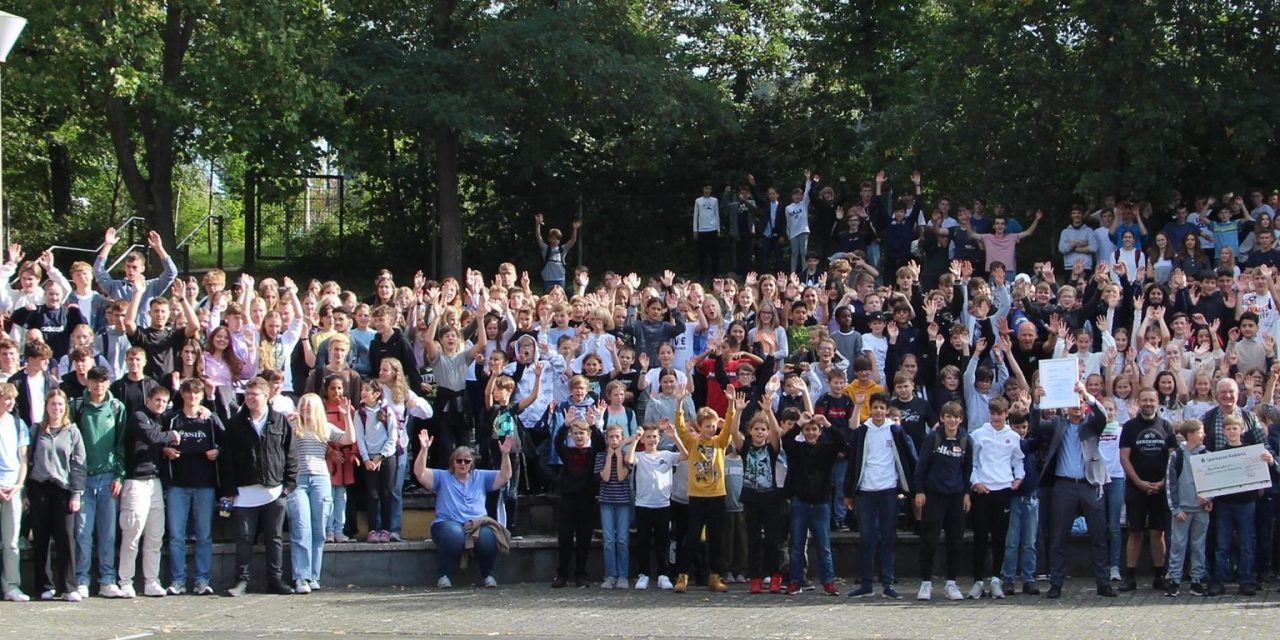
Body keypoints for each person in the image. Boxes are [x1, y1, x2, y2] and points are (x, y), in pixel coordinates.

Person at [1033, 381, 1117, 598]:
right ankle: (1056, 583)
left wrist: (1086, 394)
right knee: (1059, 536)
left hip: (1091, 484)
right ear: (1065, 407)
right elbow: (1035, 427)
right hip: (1064, 486)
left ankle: (1103, 583)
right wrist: (1036, 403)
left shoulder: (1092, 424)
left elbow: (1103, 416)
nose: (1077, 406)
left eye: (1080, 403)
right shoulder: (1058, 424)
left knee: (1098, 535)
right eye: (1073, 403)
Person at [220, 377, 298, 596]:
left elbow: (291, 455)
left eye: (254, 394)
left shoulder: (280, 421)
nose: (250, 398)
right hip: (244, 492)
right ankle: (241, 581)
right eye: (247, 394)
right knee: (244, 537)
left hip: (275, 490)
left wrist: (288, 486)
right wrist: (229, 490)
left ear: (266, 396)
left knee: (274, 537)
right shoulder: (235, 424)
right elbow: (227, 460)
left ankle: (275, 580)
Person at [413, 426, 514, 589]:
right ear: (453, 462)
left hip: (477, 523)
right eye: (459, 460)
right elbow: (420, 473)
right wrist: (424, 450)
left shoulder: (481, 476)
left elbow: (505, 476)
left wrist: (505, 454)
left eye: (467, 461)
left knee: (488, 537)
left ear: (472, 463)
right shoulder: (443, 476)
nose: (462, 464)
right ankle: (444, 575)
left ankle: (488, 575)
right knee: (454, 535)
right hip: (447, 523)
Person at [845, 393, 917, 599]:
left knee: (888, 537)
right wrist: (848, 492)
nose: (878, 411)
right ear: (871, 408)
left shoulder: (895, 430)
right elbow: (854, 463)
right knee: (866, 538)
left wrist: (910, 488)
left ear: (887, 410)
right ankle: (866, 583)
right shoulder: (862, 431)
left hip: (888, 490)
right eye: (875, 407)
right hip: (866, 491)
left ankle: (888, 583)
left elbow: (907, 458)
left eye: (881, 408)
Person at [116, 385, 181, 598]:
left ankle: (151, 581)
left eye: (164, 402)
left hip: (155, 482)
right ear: (149, 399)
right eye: (157, 401)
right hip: (136, 482)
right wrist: (171, 435)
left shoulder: (161, 418)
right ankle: (125, 581)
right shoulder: (138, 416)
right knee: (132, 534)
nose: (161, 405)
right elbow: (151, 437)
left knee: (155, 535)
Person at [287, 392, 357, 593]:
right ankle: (301, 577)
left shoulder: (324, 428)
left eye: (310, 406)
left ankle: (313, 576)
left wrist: (346, 416)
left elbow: (348, 438)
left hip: (320, 479)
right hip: (298, 480)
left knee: (318, 531)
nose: (306, 409)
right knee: (301, 528)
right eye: (303, 406)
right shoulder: (292, 426)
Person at [672, 388, 739, 593]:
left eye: (713, 426)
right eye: (707, 426)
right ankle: (683, 575)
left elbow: (728, 428)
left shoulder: (719, 443)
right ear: (700, 426)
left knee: (716, 538)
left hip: (717, 496)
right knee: (691, 537)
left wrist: (730, 405)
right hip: (697, 497)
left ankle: (715, 575)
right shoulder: (693, 443)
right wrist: (680, 403)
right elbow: (680, 427)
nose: (711, 429)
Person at [71, 366, 128, 599]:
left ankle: (107, 579)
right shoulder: (77, 406)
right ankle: (81, 579)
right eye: (95, 381)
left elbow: (121, 443)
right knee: (83, 532)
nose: (98, 386)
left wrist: (119, 474)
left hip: (108, 478)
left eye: (103, 382)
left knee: (108, 532)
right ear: (88, 383)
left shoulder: (117, 408)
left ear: (108, 383)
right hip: (83, 479)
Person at [163, 378, 223, 596]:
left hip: (204, 485)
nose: (192, 397)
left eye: (197, 394)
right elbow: (159, 441)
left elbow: (227, 442)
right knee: (177, 536)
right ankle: (177, 580)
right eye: (188, 393)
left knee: (204, 535)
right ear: (182, 395)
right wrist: (166, 451)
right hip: (177, 485)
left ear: (202, 396)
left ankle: (201, 580)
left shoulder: (210, 419)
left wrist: (219, 452)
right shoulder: (172, 419)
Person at [26, 391, 86, 601]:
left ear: (65, 407)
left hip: (63, 489)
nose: (57, 408)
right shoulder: (36, 430)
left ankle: (69, 587)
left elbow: (79, 464)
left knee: (65, 538)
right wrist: (26, 492)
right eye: (53, 404)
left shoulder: (72, 431)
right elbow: (27, 461)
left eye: (60, 404)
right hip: (39, 487)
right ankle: (44, 585)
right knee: (41, 538)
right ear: (46, 406)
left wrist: (76, 494)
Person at [1117, 387, 1176, 592]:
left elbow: (1173, 458)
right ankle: (1130, 577)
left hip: (1160, 488)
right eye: (1144, 400)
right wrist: (1139, 482)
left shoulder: (1166, 426)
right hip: (1136, 488)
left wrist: (1162, 482)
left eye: (1151, 400)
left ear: (1158, 401)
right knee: (1134, 532)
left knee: (1157, 532)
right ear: (1139, 402)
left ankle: (1159, 576)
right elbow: (1124, 458)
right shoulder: (1129, 427)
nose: (1148, 404)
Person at [1208, 414, 1274, 596]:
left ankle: (1246, 580)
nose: (1231, 432)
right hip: (1224, 505)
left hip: (1246, 503)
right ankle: (1219, 580)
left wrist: (1268, 460)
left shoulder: (1252, 452)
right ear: (1224, 431)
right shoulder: (1218, 454)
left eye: (1235, 428)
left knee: (1247, 543)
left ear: (1241, 430)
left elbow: (1263, 472)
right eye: (1228, 429)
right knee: (1222, 545)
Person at [966, 397, 1024, 600]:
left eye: (1000, 413)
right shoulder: (978, 435)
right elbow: (970, 463)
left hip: (1004, 491)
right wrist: (975, 483)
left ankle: (996, 580)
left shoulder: (1013, 436)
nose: (996, 417)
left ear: (1007, 414)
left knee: (1000, 538)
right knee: (980, 537)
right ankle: (978, 582)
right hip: (983, 491)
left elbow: (1018, 460)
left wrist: (1019, 477)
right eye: (993, 413)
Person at [913, 401, 971, 601]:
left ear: (961, 419)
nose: (952, 420)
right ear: (942, 418)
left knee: (955, 541)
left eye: (956, 417)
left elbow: (967, 469)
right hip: (934, 495)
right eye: (948, 416)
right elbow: (921, 466)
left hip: (956, 497)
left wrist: (966, 493)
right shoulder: (933, 438)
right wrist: (919, 491)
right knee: (929, 540)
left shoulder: (965, 440)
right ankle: (926, 583)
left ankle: (951, 583)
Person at [94, 227, 178, 328]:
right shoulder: (116, 286)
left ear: (142, 268)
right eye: (128, 267)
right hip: (122, 333)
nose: (131, 270)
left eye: (134, 267)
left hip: (143, 333)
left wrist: (159, 248)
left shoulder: (152, 286)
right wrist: (108, 245)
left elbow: (171, 272)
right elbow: (98, 271)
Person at [1164, 419, 1211, 597]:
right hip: (1182, 509)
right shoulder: (1177, 456)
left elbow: (1212, 481)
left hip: (1201, 509)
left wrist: (1209, 498)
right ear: (1190, 435)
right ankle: (1175, 579)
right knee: (1178, 544)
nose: (1203, 435)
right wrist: (1175, 509)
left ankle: (1196, 580)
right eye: (1200, 432)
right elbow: (1170, 484)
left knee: (1199, 545)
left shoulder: (1207, 454)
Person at [596, 424, 636, 589]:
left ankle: (623, 576)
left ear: (622, 439)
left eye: (617, 437)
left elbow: (621, 476)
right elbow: (605, 477)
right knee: (608, 540)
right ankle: (610, 575)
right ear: (606, 439)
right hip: (606, 502)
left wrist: (619, 455)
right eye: (611, 437)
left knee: (622, 540)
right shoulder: (600, 456)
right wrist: (609, 457)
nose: (614, 440)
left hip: (623, 503)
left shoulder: (627, 457)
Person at [0, 383, 29, 602]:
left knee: (11, 541)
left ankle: (11, 585)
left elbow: (23, 460)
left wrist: (18, 484)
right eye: (6, 398)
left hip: (13, 488)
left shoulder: (19, 424)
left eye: (12, 399)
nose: (10, 402)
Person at [534, 214, 580, 291]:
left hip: (560, 279)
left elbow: (573, 241)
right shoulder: (546, 248)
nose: (555, 240)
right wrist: (538, 225)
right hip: (548, 280)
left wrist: (574, 229)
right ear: (549, 239)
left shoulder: (563, 249)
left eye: (557, 239)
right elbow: (539, 238)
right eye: (553, 238)